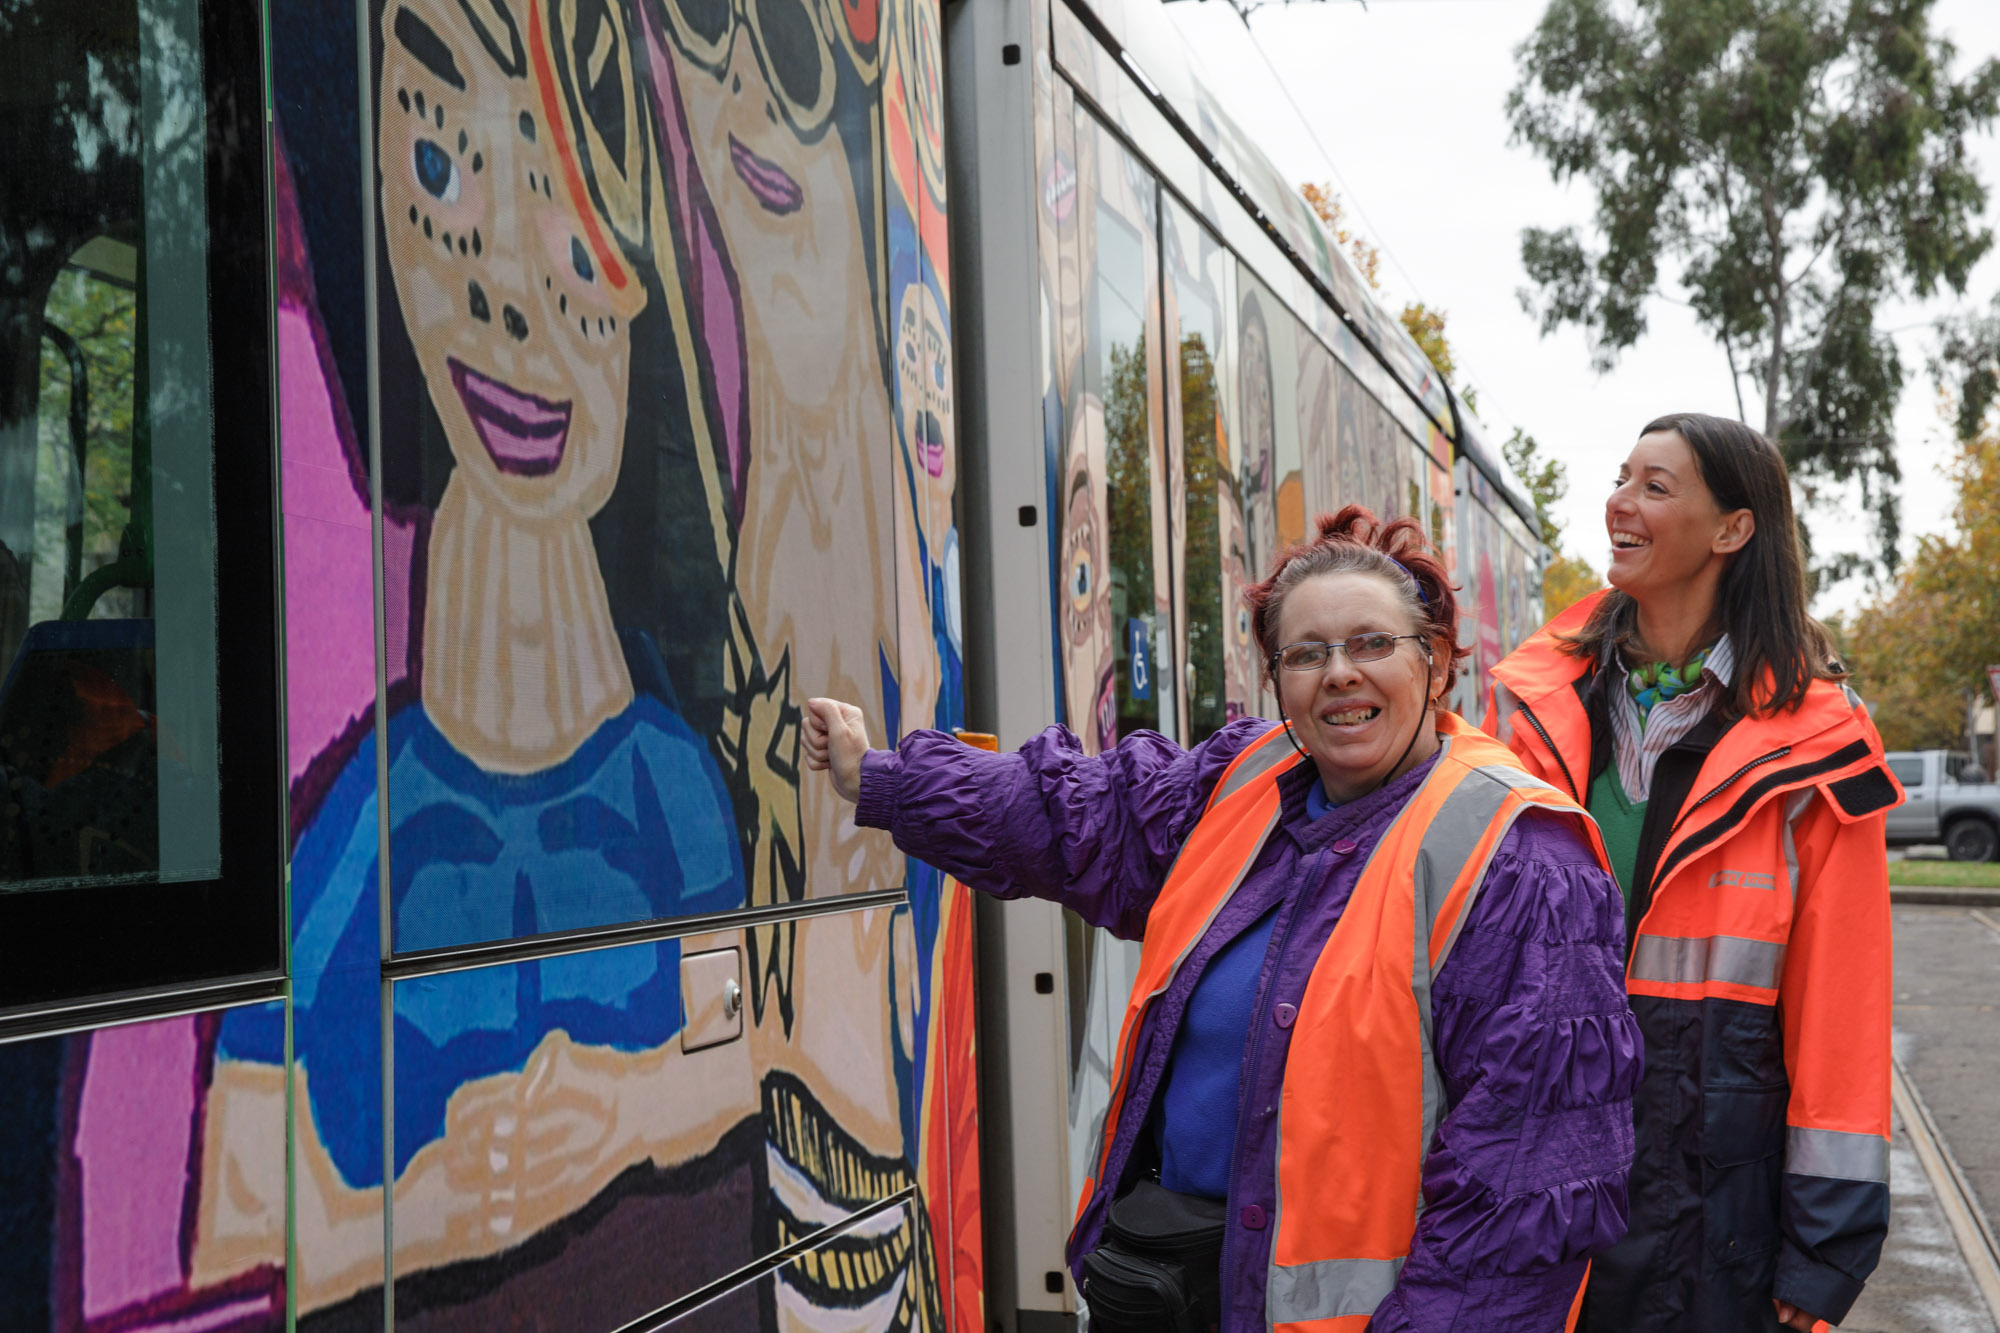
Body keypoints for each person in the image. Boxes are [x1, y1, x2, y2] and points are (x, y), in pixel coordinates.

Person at [807, 506, 1642, 1332]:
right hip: (1179, 1288)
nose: (1339, 673)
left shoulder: (1523, 860)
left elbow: (1520, 1197)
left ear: (1436, 663)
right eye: (1306, 653)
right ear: (1279, 683)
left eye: (1372, 643)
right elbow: (1072, 814)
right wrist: (880, 777)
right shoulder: (1240, 781)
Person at [1483, 414, 1899, 1333]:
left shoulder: (1818, 747)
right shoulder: (1531, 710)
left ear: (1732, 528)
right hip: (1536, 1192)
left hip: (1714, 1223)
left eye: (1655, 486)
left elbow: (1843, 1010)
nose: (1619, 503)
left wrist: (1824, 1248)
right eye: (1621, 477)